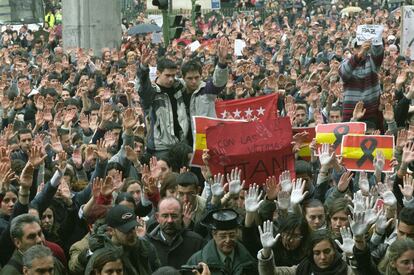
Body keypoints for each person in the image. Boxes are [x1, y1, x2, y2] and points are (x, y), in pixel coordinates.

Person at [257, 224, 355, 275]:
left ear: (334, 250)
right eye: (317, 253)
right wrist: (266, 251)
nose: (323, 257)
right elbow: (271, 273)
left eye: (327, 251)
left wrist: (352, 255)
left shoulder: (346, 271)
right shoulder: (303, 268)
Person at [187, 209, 258, 275]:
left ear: (237, 233)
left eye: (232, 235)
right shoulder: (197, 261)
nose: (228, 240)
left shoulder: (248, 260)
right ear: (214, 235)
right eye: (223, 236)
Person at [146, 197, 205, 268]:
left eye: (174, 216)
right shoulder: (147, 244)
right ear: (157, 217)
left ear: (181, 217)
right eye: (165, 216)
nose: (170, 220)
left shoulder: (197, 242)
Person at [0, 214, 66, 275]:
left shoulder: (53, 261)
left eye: (40, 233)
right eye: (31, 236)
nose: (39, 240)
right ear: (18, 242)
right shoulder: (10, 272)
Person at [105, 204, 160, 275]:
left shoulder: (146, 247)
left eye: (133, 228)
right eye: (126, 230)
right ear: (111, 231)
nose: (132, 233)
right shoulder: (104, 256)